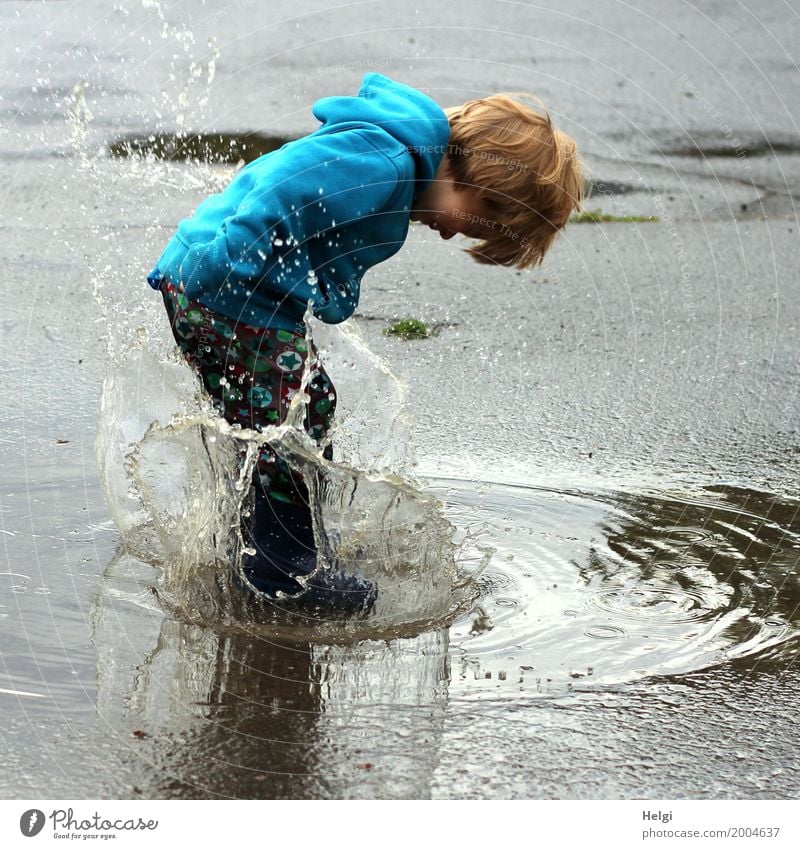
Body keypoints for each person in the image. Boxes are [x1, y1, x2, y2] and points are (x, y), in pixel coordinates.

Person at [148, 72, 583, 613]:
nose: (453, 234)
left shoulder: (391, 159)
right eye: (475, 220)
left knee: (300, 411)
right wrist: (236, 269)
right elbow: (283, 189)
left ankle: (267, 548)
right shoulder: (385, 162)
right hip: (228, 289)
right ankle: (281, 576)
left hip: (231, 290)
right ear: (477, 175)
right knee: (286, 419)